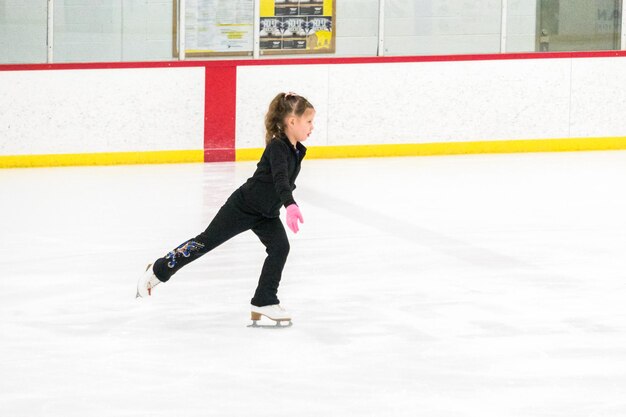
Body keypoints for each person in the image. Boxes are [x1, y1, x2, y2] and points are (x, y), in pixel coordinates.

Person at [136, 92, 314, 325]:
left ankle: (264, 300)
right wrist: (290, 204)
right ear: (292, 121)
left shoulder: (296, 149)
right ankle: (159, 269)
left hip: (266, 213)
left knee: (280, 248)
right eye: (309, 121)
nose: (312, 127)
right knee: (205, 242)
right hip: (243, 206)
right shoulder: (278, 148)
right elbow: (280, 179)